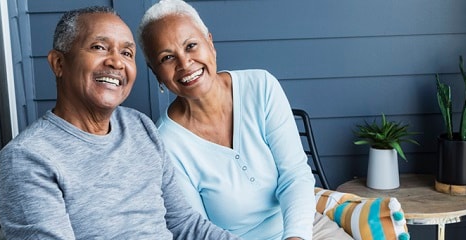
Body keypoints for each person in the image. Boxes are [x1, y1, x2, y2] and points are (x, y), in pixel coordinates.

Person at [0, 6, 238, 239]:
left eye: (127, 53)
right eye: (99, 47)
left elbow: (184, 225)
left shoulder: (139, 127)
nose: (116, 62)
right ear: (59, 63)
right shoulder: (27, 159)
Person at [138, 1, 352, 239]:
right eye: (167, 57)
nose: (185, 63)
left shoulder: (261, 87)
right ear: (155, 71)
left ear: (210, 42)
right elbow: (196, 228)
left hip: (303, 228)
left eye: (191, 46)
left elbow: (295, 174)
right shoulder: (167, 143)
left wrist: (296, 236)